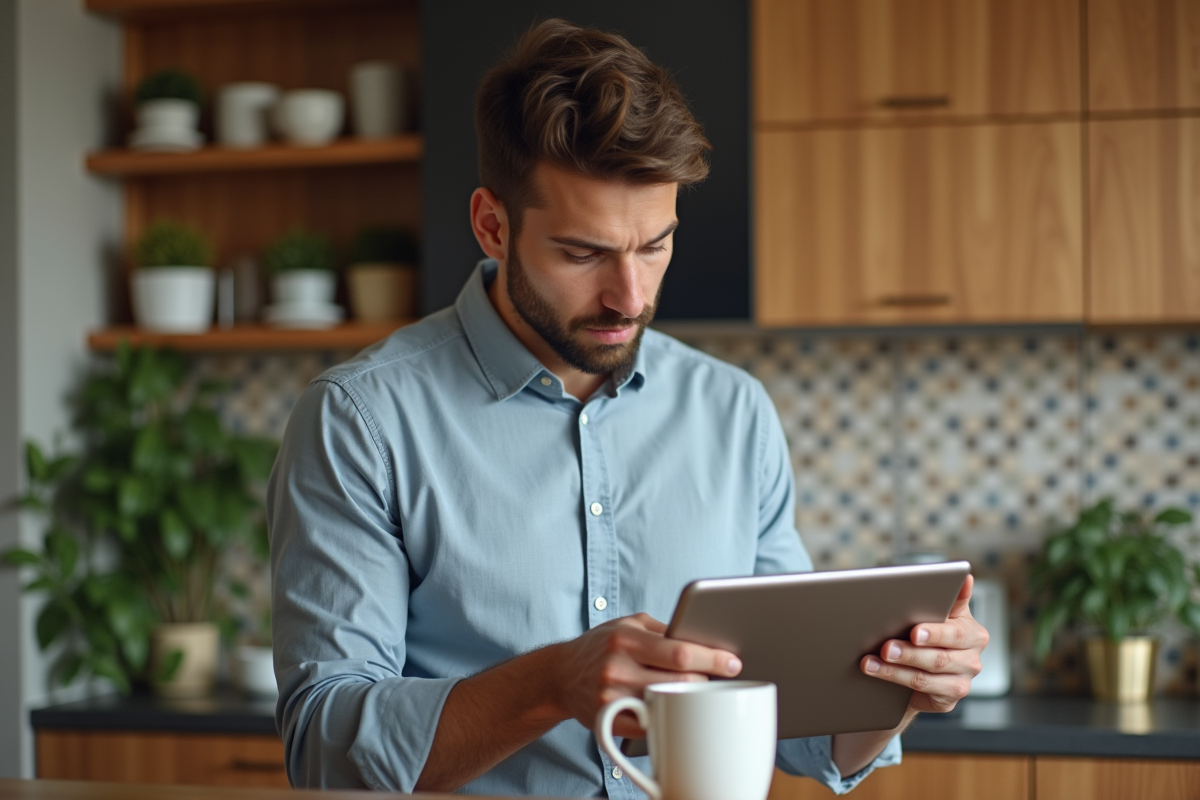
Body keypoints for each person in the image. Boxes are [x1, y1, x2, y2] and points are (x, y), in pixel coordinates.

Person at [267, 18, 988, 797]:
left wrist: (900, 688)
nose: (630, 297)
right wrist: (552, 684)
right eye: (584, 253)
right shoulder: (360, 422)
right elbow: (324, 748)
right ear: (492, 226)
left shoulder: (734, 412)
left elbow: (799, 729)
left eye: (654, 245)